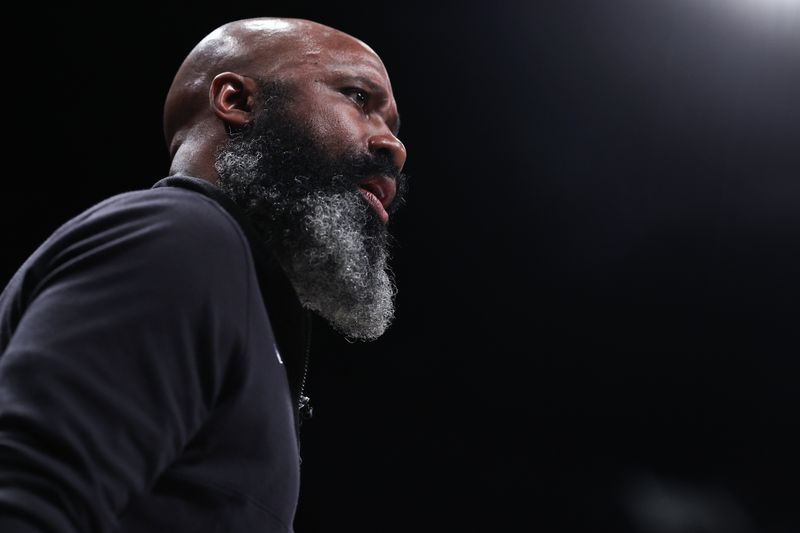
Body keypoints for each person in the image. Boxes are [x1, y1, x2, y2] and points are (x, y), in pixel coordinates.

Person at [0, 17, 407, 533]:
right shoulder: (182, 238)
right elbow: (26, 499)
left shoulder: (229, 281)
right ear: (236, 100)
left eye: (393, 125)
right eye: (358, 97)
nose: (394, 146)